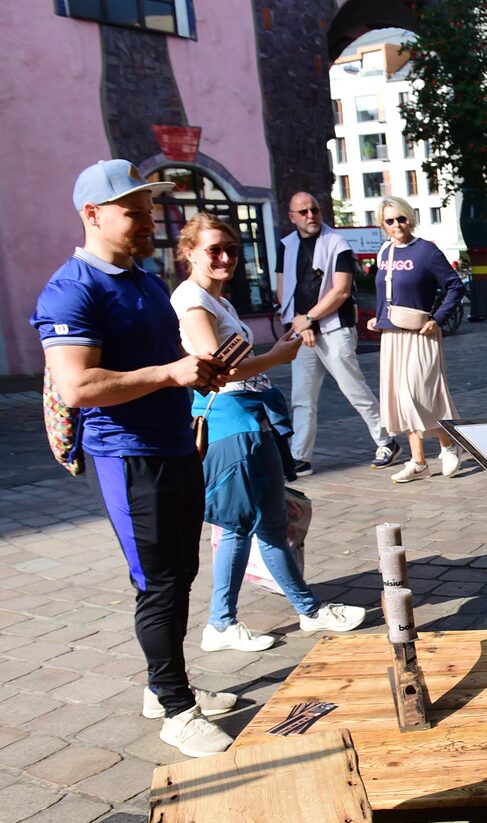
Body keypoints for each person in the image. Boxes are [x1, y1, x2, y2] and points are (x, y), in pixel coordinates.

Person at [34, 160, 236, 757]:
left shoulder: (145, 282)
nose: (148, 221)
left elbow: (170, 361)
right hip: (126, 456)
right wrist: (171, 373)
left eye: (149, 210)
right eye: (133, 211)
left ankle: (162, 684)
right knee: (159, 582)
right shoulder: (72, 288)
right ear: (92, 215)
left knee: (180, 574)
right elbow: (77, 386)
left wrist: (198, 371)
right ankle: (176, 709)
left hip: (175, 446)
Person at [172, 212, 367, 656]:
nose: (225, 258)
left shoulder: (217, 299)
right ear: (189, 253)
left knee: (273, 523)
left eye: (232, 250)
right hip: (227, 420)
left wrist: (271, 355)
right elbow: (216, 368)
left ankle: (310, 610)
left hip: (249, 416)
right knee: (238, 525)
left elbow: (234, 359)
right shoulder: (193, 299)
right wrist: (276, 357)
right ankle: (221, 622)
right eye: (213, 250)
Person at [278, 192, 397, 474]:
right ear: (292, 217)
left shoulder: (337, 243)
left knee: (353, 388)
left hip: (334, 328)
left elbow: (341, 291)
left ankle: (386, 441)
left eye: (315, 210)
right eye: (303, 212)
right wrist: (297, 323)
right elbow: (282, 287)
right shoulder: (286, 245)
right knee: (302, 397)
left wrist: (308, 320)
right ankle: (301, 456)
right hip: (301, 330)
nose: (311, 216)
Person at [367, 195, 466, 483]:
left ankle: (449, 443)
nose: (397, 224)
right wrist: (379, 316)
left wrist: (437, 319)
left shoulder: (426, 251)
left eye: (401, 218)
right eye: (390, 220)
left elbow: (454, 286)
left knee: (417, 394)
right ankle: (418, 460)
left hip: (420, 333)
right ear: (382, 225)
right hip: (391, 334)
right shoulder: (384, 252)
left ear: (410, 218)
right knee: (399, 398)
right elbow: (384, 290)